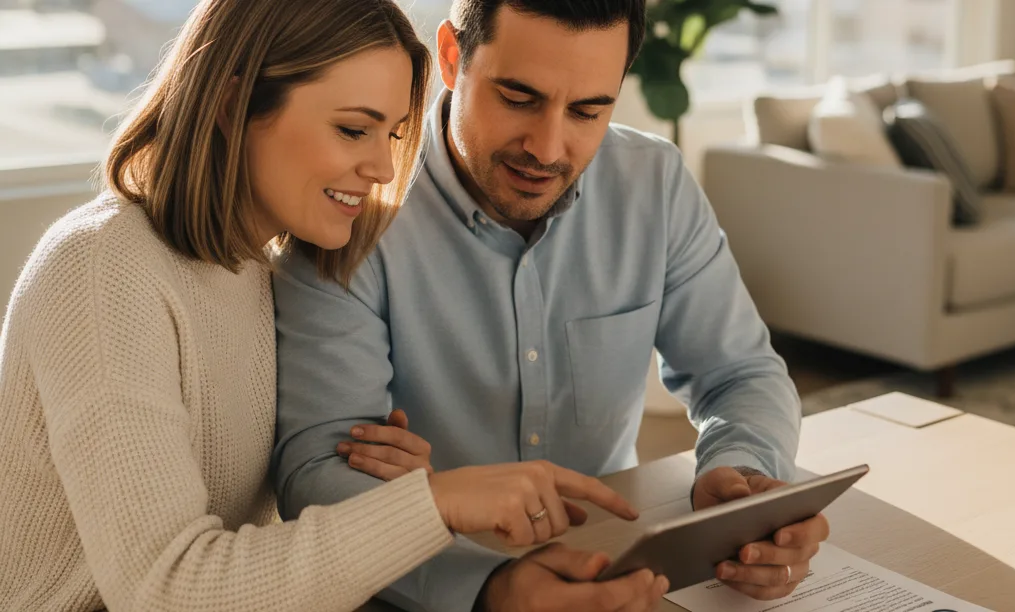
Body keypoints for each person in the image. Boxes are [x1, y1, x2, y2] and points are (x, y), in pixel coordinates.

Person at [0, 1, 669, 611]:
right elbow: (168, 588)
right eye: (354, 131)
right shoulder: (101, 271)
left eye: (395, 135)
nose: (382, 168)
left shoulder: (259, 272)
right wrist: (438, 503)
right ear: (234, 106)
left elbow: (267, 540)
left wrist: (403, 485)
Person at [273, 0, 832, 610]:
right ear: (453, 58)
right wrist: (486, 586)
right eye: (518, 98)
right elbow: (317, 470)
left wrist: (741, 474)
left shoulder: (655, 184)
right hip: (416, 587)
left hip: (618, 566)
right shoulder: (351, 205)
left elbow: (741, 372)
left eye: (589, 110)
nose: (547, 148)